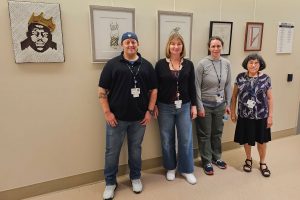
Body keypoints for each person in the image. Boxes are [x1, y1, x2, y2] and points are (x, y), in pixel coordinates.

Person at [98, 32, 158, 200]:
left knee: (135, 150)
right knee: (112, 152)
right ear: (122, 45)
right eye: (127, 42)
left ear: (138, 44)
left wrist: (149, 111)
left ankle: (135, 177)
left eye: (133, 42)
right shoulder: (112, 65)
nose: (131, 45)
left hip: (139, 119)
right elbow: (102, 91)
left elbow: (154, 90)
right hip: (115, 119)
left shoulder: (146, 65)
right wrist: (107, 113)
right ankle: (110, 182)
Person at [154, 32, 197, 184]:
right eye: (173, 44)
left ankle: (186, 169)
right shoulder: (160, 64)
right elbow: (155, 88)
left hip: (184, 106)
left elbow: (192, 87)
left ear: (182, 46)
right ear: (168, 46)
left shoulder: (189, 64)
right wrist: (153, 106)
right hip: (164, 107)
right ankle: (170, 167)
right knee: (167, 139)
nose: (176, 46)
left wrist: (194, 106)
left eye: (179, 44)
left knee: (186, 139)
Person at [230, 53, 273, 177]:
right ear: (246, 64)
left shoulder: (266, 78)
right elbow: (234, 96)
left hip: (261, 115)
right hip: (244, 115)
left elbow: (270, 98)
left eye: (256, 63)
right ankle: (248, 159)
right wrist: (233, 112)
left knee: (262, 141)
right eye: (251, 62)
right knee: (247, 140)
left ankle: (262, 162)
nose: (253, 65)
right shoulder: (240, 78)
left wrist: (270, 116)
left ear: (260, 65)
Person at [194, 36, 232, 175]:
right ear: (209, 48)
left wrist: (228, 104)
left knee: (217, 133)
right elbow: (196, 86)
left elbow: (228, 85)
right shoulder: (202, 64)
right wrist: (199, 106)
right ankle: (206, 161)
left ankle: (217, 158)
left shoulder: (227, 63)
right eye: (213, 46)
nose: (216, 49)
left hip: (220, 105)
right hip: (205, 105)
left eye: (218, 46)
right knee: (205, 134)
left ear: (222, 47)